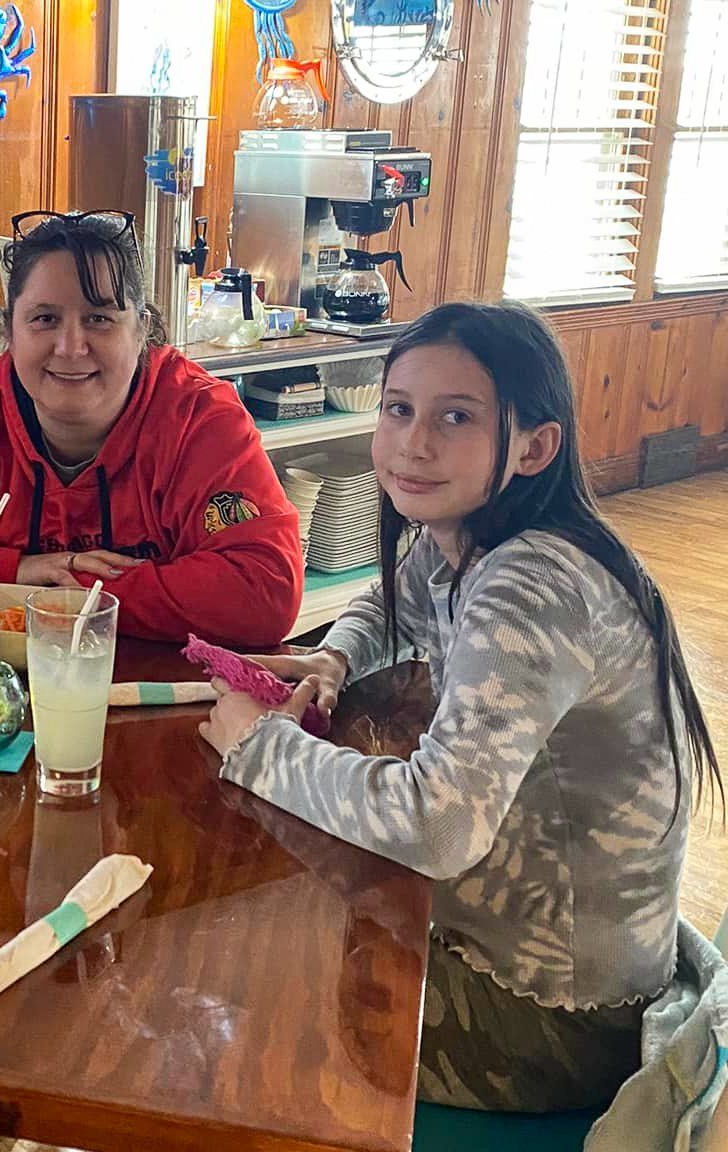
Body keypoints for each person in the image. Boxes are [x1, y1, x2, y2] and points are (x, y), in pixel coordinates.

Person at [198, 301, 722, 1113]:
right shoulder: (473, 538)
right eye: (399, 409)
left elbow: (437, 827)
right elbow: (388, 600)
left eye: (457, 417)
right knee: (276, 914)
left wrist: (257, 744)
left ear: (534, 447)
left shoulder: (529, 584)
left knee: (231, 989)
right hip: (559, 964)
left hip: (555, 1022)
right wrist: (334, 656)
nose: (415, 441)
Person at [0, 209, 304, 648]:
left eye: (100, 318)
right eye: (44, 318)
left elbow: (267, 590)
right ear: (9, 334)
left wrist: (78, 594)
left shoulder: (200, 420)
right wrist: (10, 570)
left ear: (144, 330)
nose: (70, 347)